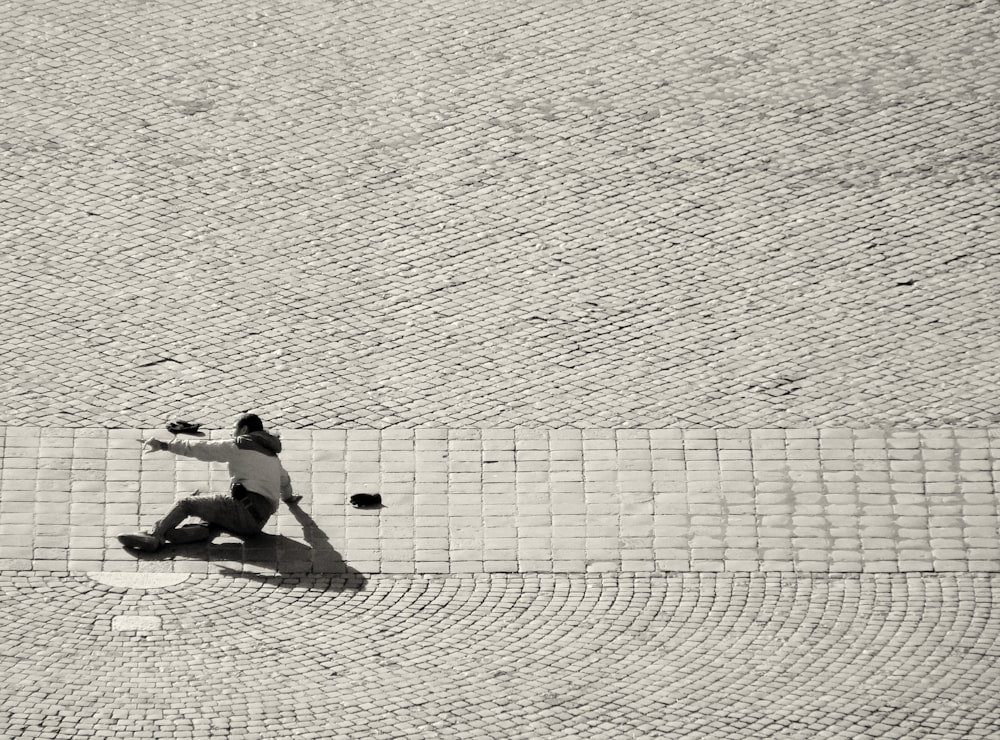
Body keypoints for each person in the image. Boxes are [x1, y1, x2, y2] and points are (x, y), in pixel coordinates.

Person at [118, 413, 301, 552]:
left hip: (242, 510)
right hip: (257, 523)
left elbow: (203, 449)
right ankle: (185, 533)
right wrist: (290, 499)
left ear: (244, 430)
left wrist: (165, 445)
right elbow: (284, 481)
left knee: (186, 503)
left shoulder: (239, 444)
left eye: (234, 428)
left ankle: (154, 536)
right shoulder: (272, 456)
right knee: (214, 513)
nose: (232, 432)